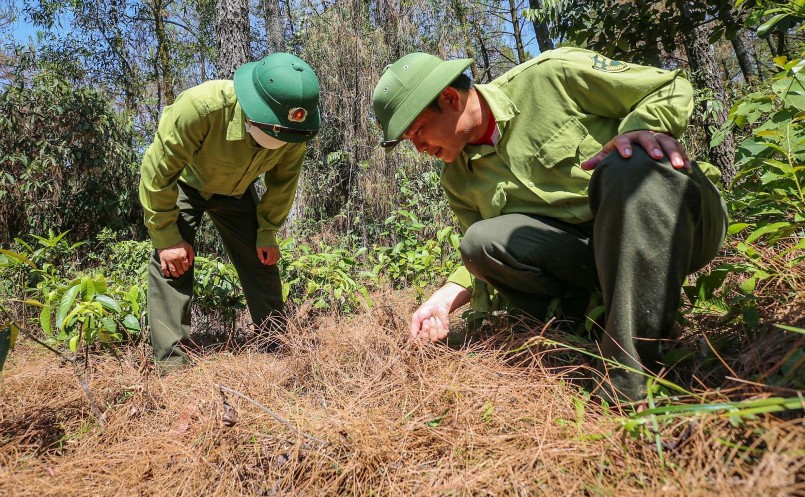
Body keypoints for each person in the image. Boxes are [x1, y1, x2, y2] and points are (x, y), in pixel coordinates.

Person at [372, 48, 728, 402]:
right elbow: (486, 255)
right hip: (593, 259)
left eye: (418, 131)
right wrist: (448, 293)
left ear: (450, 98)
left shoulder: (553, 76)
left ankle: (629, 383)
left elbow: (668, 86)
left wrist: (641, 129)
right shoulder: (458, 180)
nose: (419, 148)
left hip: (683, 224)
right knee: (480, 242)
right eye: (409, 141)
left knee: (630, 160)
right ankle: (585, 339)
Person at [139, 52, 320, 366]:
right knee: (173, 262)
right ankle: (171, 364)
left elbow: (283, 184)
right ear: (251, 110)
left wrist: (267, 231)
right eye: (270, 131)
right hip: (186, 184)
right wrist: (166, 237)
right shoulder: (201, 107)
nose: (277, 141)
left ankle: (276, 345)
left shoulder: (295, 131)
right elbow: (157, 172)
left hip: (237, 192)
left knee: (261, 257)